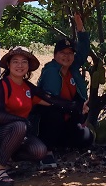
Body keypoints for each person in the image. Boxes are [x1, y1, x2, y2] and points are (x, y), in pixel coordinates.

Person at [0, 47, 51, 186]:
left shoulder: (28, 87)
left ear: (28, 66)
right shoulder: (2, 85)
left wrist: (78, 106)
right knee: (19, 125)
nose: (20, 65)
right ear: (8, 65)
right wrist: (22, 120)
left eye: (24, 62)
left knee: (40, 151)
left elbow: (50, 99)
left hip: (18, 133)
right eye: (15, 61)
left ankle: (5, 159)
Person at [36, 14, 94, 151]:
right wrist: (76, 107)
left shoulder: (72, 68)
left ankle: (61, 144)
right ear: (55, 55)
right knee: (54, 115)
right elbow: (52, 101)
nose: (66, 56)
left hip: (68, 118)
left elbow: (83, 50)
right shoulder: (51, 71)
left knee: (87, 138)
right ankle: (47, 147)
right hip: (51, 118)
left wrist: (80, 28)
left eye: (70, 53)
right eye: (63, 53)